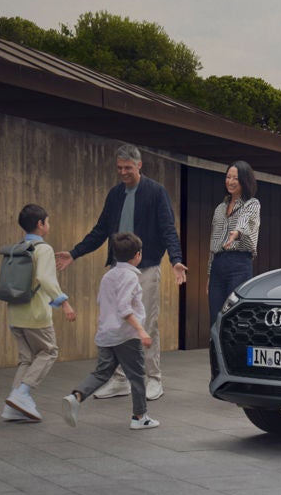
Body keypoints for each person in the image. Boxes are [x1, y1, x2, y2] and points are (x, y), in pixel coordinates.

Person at [56, 143, 186, 402]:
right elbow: (100, 230)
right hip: (118, 269)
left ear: (139, 165)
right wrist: (75, 253)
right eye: (119, 168)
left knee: (146, 324)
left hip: (146, 267)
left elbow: (168, 229)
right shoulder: (115, 194)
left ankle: (153, 378)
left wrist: (176, 260)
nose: (123, 172)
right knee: (117, 324)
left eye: (128, 167)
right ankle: (119, 380)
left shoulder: (156, 192)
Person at [62, 231, 159, 431]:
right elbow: (124, 308)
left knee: (102, 373)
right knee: (137, 376)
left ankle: (76, 396)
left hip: (105, 335)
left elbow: (102, 301)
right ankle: (139, 417)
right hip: (126, 336)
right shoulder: (130, 277)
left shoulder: (108, 276)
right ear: (138, 255)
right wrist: (141, 331)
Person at [3, 203, 76, 423]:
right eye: (48, 221)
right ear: (40, 224)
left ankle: (13, 406)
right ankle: (22, 394)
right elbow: (45, 278)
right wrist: (64, 303)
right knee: (49, 351)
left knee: (26, 359)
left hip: (15, 312)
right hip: (35, 314)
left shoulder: (18, 247)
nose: (48, 225)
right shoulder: (43, 249)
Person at [208, 161, 260, 331]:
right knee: (215, 318)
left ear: (244, 180)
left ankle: (235, 349)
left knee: (235, 316)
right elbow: (213, 243)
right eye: (228, 177)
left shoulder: (252, 204)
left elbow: (245, 220)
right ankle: (216, 349)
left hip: (239, 264)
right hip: (218, 265)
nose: (230, 181)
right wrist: (209, 273)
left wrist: (237, 232)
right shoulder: (219, 208)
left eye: (235, 178)